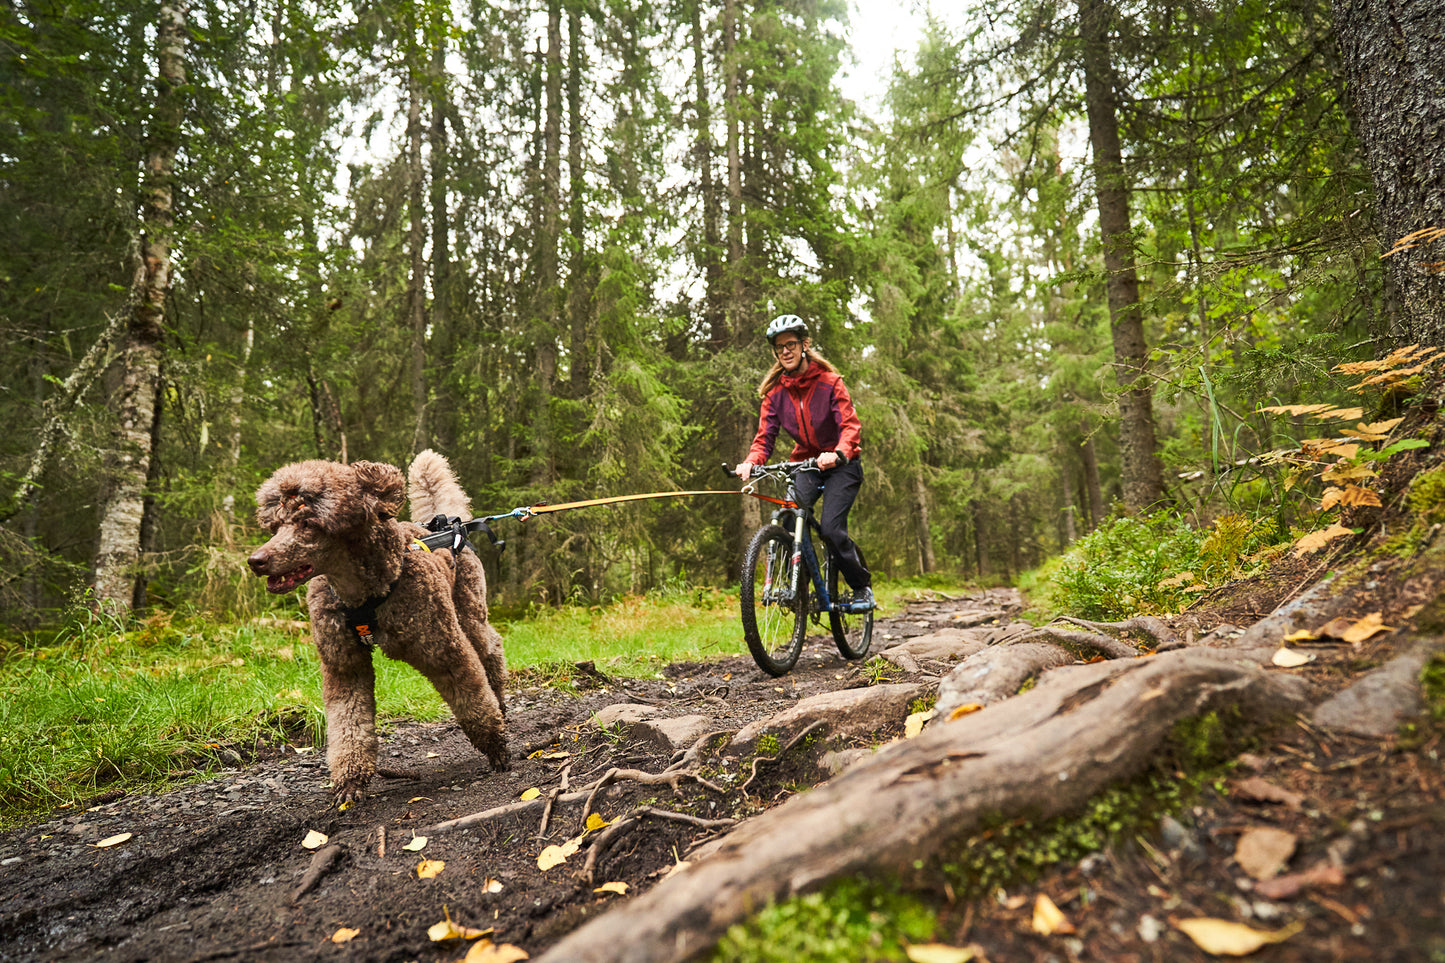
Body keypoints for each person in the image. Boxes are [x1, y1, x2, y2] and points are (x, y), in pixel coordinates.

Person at [735, 314, 873, 609]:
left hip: (841, 464)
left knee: (832, 531)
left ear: (804, 345)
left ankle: (861, 586)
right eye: (779, 347)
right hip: (805, 464)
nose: (785, 351)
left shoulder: (830, 382)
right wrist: (751, 462)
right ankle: (800, 585)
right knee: (787, 519)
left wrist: (838, 452)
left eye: (791, 344)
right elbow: (764, 439)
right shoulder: (775, 394)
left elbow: (850, 426)